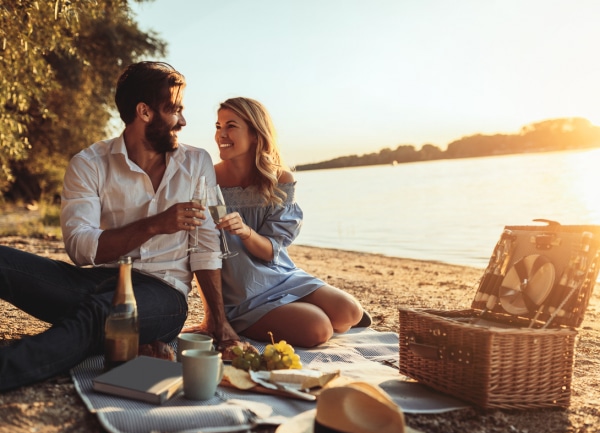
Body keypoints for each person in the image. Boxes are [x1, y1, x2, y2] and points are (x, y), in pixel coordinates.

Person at [0, 61, 242, 392]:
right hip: (96, 280)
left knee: (103, 313)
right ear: (144, 112)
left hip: (164, 294)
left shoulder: (197, 162)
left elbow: (206, 245)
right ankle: (121, 343)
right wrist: (156, 224)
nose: (183, 121)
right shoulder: (88, 164)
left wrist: (221, 323)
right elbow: (82, 249)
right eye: (174, 110)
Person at [184, 97, 371, 348]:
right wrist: (214, 315)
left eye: (231, 126)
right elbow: (200, 251)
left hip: (280, 275)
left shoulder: (280, 178)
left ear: (254, 133)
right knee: (318, 330)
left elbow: (273, 250)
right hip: (241, 293)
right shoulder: (207, 178)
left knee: (351, 312)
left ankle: (293, 309)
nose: (221, 135)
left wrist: (247, 232)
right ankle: (268, 316)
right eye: (218, 127)